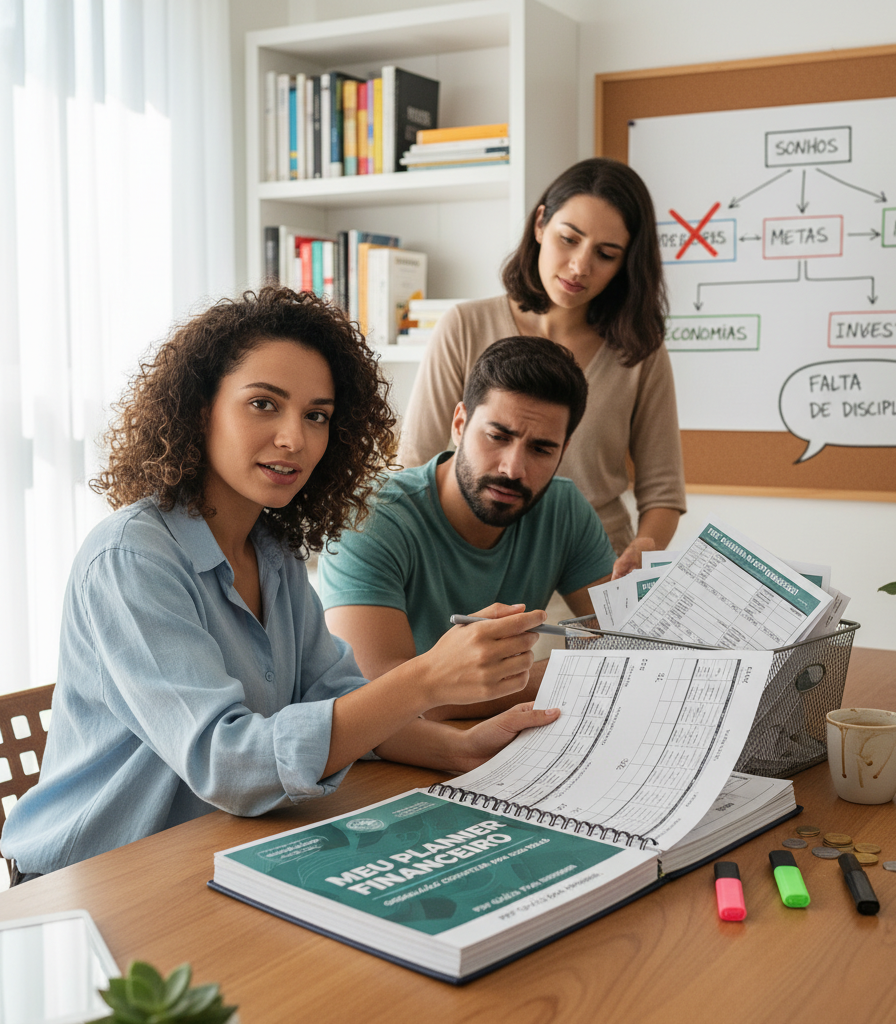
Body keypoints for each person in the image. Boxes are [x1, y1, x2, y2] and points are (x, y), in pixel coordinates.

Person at [1, 288, 559, 882]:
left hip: (214, 851)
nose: (295, 438)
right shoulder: (129, 558)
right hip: (98, 882)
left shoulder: (272, 552)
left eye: (316, 415)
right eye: (264, 404)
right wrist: (426, 679)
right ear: (199, 409)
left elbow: (338, 698)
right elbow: (230, 765)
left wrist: (461, 750)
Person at [398, 157, 686, 578]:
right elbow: (414, 464)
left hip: (596, 570)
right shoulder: (464, 325)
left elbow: (663, 490)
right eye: (569, 239)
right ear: (540, 225)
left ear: (626, 263)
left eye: (606, 254)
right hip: (473, 564)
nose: (580, 267)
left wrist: (646, 548)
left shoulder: (639, 351)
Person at [320, 336, 615, 721]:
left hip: (504, 743)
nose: (513, 469)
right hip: (388, 759)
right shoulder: (369, 518)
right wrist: (552, 677)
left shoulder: (565, 509)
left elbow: (627, 645)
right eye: (498, 436)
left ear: (564, 448)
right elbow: (377, 697)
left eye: (541, 449)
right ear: (460, 424)